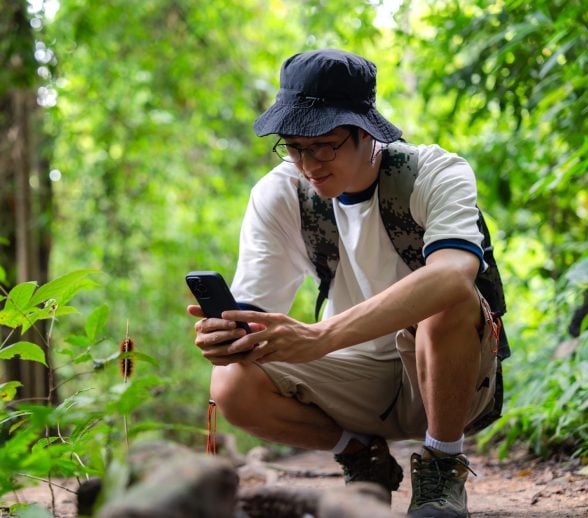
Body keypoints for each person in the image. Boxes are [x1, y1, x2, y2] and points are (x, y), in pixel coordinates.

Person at [187, 49, 501, 517]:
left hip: (447, 372)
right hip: (351, 384)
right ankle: (361, 456)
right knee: (230, 382)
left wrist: (319, 336)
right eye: (294, 147)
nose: (309, 163)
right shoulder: (280, 195)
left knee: (445, 297)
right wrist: (229, 338)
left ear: (367, 133)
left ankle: (442, 469)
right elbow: (253, 312)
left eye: (324, 145)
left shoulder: (436, 173)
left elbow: (454, 275)